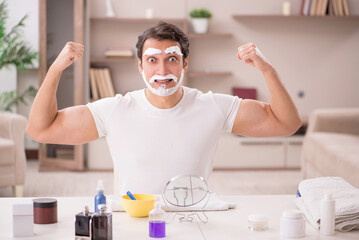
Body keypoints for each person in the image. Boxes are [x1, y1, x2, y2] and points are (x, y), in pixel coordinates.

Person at [27, 21, 302, 195]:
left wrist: (267, 69)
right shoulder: (115, 110)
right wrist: (55, 69)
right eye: (152, 60)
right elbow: (40, 129)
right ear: (140, 66)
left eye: (172, 59)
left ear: (185, 64)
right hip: (134, 222)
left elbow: (286, 124)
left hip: (194, 220)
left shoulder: (214, 106)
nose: (162, 70)